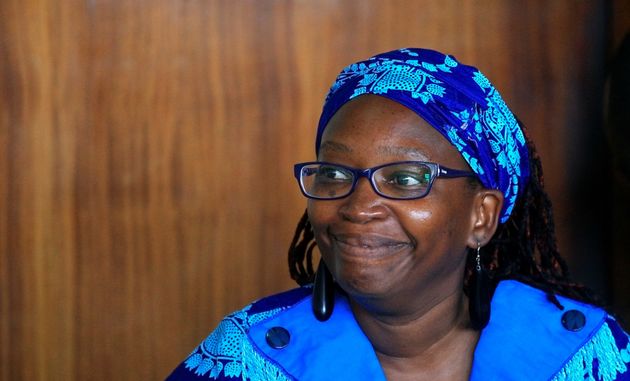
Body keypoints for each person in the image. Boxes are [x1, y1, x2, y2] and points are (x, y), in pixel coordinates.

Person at [166, 48, 630, 380]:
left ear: (481, 217)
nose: (359, 207)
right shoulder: (247, 360)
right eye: (334, 174)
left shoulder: (582, 357)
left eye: (406, 179)